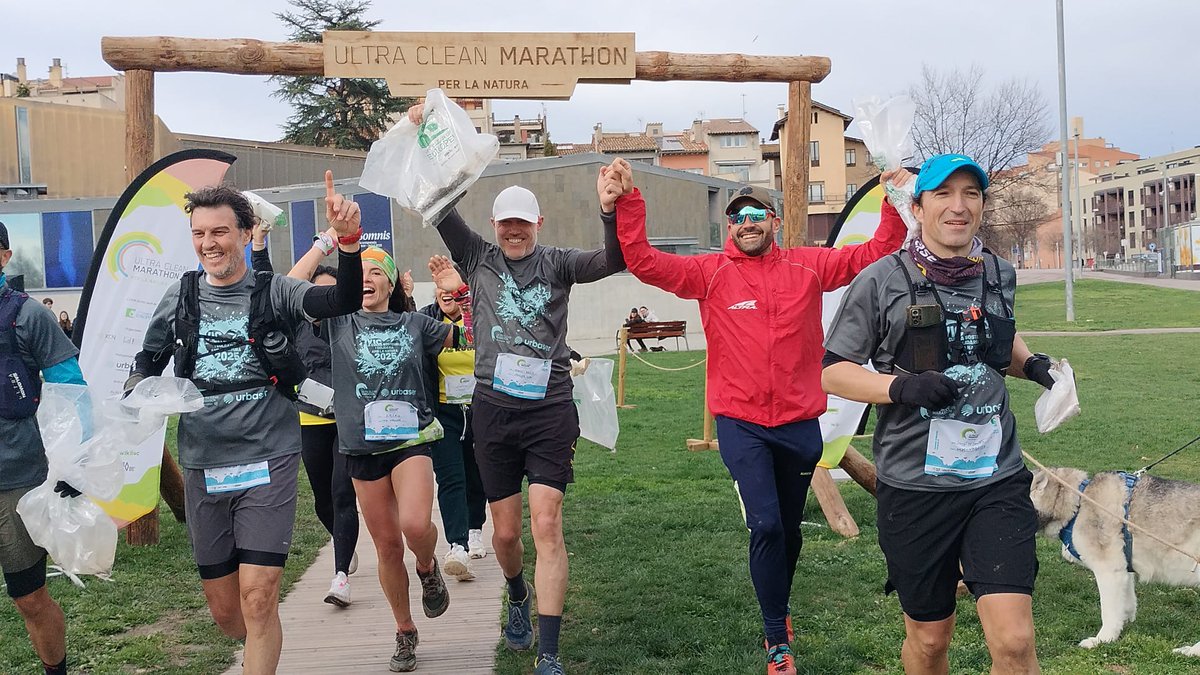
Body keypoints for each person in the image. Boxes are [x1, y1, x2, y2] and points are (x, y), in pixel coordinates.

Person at [606, 157, 906, 675]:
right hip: (740, 424)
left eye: (756, 214)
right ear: (729, 228)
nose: (747, 223)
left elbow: (874, 253)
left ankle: (779, 611)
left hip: (798, 425)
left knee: (789, 531)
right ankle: (777, 640)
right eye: (738, 217)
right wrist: (629, 203)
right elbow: (645, 261)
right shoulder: (709, 272)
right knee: (764, 524)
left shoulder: (808, 266)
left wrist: (894, 201)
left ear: (774, 221)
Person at [412, 94, 627, 675]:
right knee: (506, 534)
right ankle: (515, 593)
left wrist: (612, 208)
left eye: (522, 223)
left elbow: (615, 259)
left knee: (546, 523)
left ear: (538, 224)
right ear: (494, 226)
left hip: (551, 408)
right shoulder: (477, 257)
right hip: (494, 412)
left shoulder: (558, 263)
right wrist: (426, 136)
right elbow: (436, 205)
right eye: (505, 223)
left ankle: (549, 653)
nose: (513, 231)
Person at [822, 154, 1055, 675]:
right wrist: (901, 387)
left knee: (1015, 641)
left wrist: (1034, 365)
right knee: (930, 642)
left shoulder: (998, 272)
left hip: (996, 479)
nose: (958, 206)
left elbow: (993, 338)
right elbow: (834, 372)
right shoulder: (881, 280)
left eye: (971, 193)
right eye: (943, 194)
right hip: (915, 488)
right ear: (919, 206)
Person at [128, 175, 364, 675]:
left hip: (268, 459)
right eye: (199, 234)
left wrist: (347, 245)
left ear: (244, 232)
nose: (209, 244)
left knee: (258, 597)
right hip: (202, 463)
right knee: (228, 612)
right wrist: (139, 395)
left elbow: (340, 302)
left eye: (220, 232)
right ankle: (263, 634)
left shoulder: (274, 290)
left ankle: (263, 637)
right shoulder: (181, 296)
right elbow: (146, 362)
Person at [288, 241, 464, 672]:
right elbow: (287, 291)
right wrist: (326, 243)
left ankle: (426, 566)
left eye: (375, 272)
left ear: (391, 283)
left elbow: (473, 333)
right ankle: (405, 631)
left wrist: (458, 297)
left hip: (411, 439)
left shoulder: (415, 324)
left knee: (415, 524)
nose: (365, 279)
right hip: (361, 447)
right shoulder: (336, 323)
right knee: (386, 547)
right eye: (359, 272)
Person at [250, 220, 361, 608]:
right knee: (322, 500)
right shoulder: (295, 323)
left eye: (332, 295)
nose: (325, 301)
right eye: (318, 294)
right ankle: (343, 544)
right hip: (309, 418)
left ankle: (341, 573)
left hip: (347, 418)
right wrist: (261, 243)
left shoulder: (351, 323)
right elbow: (265, 287)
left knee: (341, 492)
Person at [0, 221, 85, 675]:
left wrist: (74, 465)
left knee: (29, 598)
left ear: (4, 257)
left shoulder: (27, 316)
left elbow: (73, 391)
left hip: (15, 480)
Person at [419, 255, 489, 581]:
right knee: (450, 478)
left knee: (476, 475)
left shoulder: (478, 319)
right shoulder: (426, 321)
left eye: (452, 290)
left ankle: (475, 528)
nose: (446, 296)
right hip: (444, 411)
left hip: (478, 408)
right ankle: (456, 545)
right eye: (440, 291)